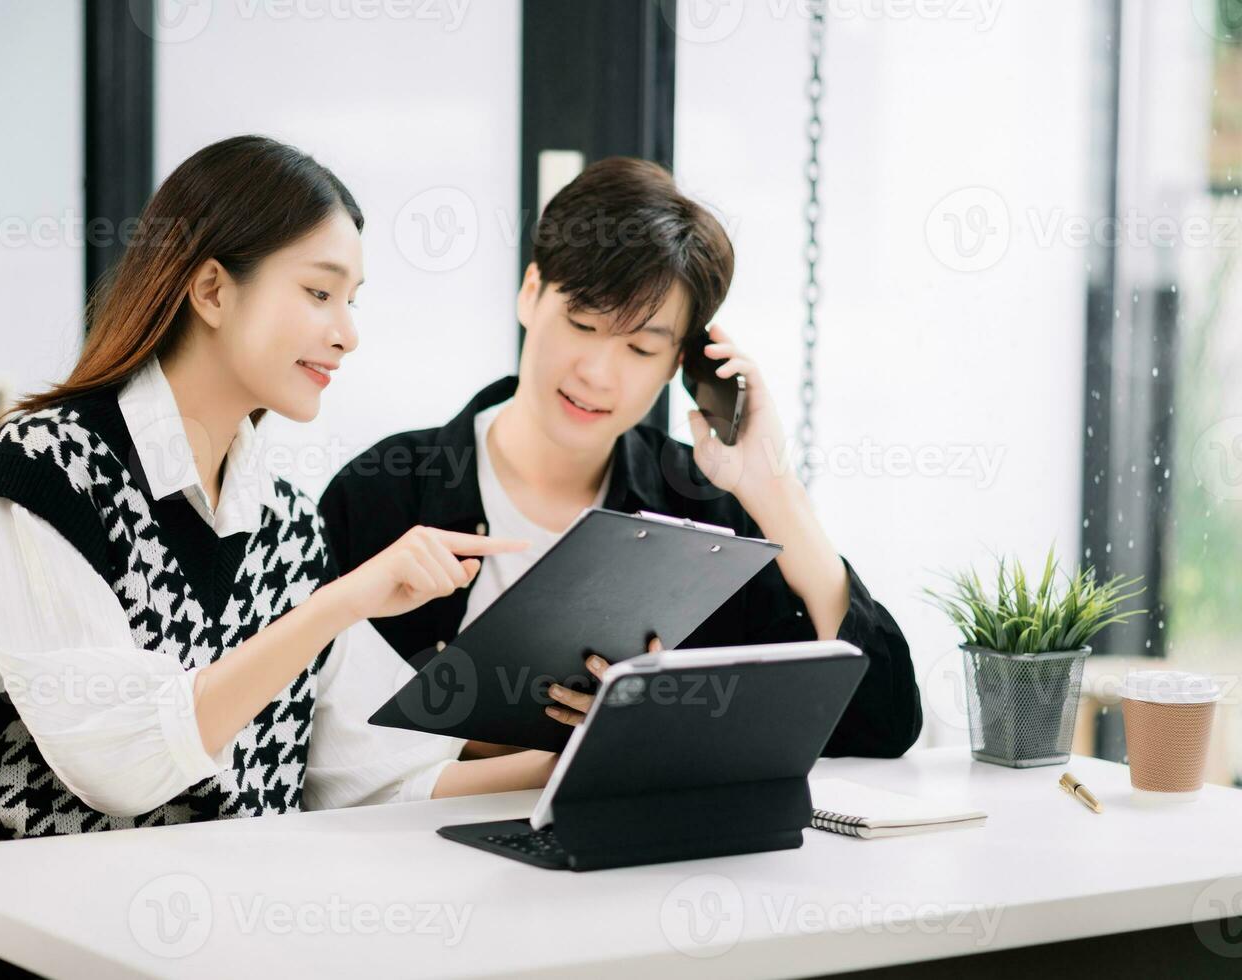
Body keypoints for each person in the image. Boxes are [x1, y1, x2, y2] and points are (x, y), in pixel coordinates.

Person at [0, 135, 546, 977]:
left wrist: (578, 766)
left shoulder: (281, 516)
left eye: (352, 300)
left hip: (220, 936)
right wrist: (340, 601)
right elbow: (121, 765)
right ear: (210, 289)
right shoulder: (48, 470)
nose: (347, 334)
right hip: (21, 943)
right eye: (318, 292)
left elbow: (373, 771)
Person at [320, 157, 922, 758]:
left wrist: (774, 489)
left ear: (679, 363)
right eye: (582, 324)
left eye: (640, 348)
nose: (598, 374)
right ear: (532, 294)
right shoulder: (385, 490)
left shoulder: (704, 509)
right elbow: (318, 741)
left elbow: (882, 725)